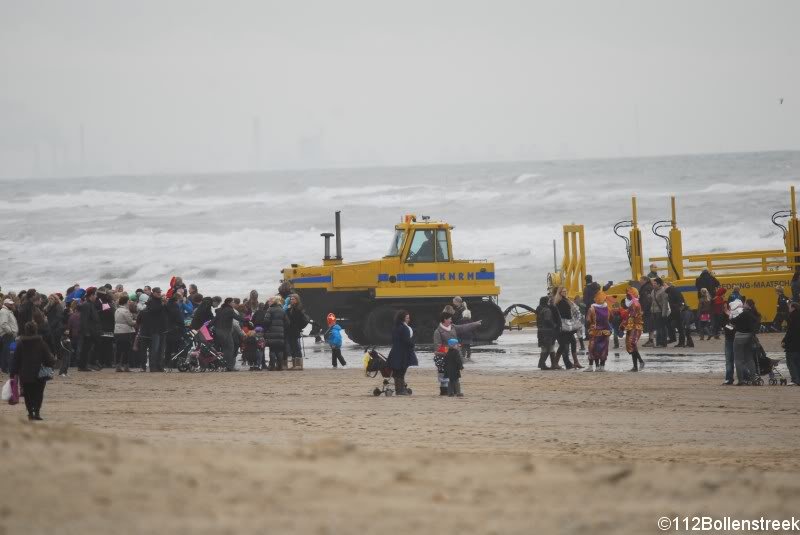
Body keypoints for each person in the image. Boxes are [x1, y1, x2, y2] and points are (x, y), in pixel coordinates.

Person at [10, 321, 56, 420]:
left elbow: (15, 360)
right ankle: (37, 412)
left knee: (27, 394)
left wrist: (13, 373)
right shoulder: (41, 343)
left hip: (25, 374)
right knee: (38, 393)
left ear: (26, 331)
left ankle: (30, 413)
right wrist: (52, 363)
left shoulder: (20, 344)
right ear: (36, 330)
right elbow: (49, 359)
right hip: (39, 374)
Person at [433, 312, 481, 395]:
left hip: (454, 356)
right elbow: (438, 348)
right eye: (450, 319)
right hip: (445, 357)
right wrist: (451, 348)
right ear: (445, 319)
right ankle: (444, 391)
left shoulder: (453, 327)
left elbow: (464, 327)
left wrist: (475, 324)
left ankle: (455, 391)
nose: (451, 320)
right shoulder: (437, 332)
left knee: (455, 375)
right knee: (444, 375)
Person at [386, 310, 417, 395]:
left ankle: (399, 389)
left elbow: (393, 340)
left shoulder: (395, 327)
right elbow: (407, 341)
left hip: (395, 351)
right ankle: (401, 390)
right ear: (403, 318)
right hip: (403, 352)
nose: (409, 319)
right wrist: (413, 344)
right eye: (407, 318)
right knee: (402, 371)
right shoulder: (404, 328)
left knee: (397, 372)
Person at [731, 299, 757, 385]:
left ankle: (741, 380)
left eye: (745, 303)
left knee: (738, 359)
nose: (743, 304)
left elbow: (734, 321)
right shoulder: (754, 313)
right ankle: (753, 379)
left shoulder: (744, 313)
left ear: (747, 305)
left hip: (739, 337)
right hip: (749, 337)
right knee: (749, 358)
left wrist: (729, 315)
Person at [213, 297, 242, 372]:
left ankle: (221, 365)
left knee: (224, 348)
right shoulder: (229, 310)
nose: (233, 303)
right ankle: (228, 366)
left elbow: (214, 320)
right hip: (226, 331)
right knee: (230, 348)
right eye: (232, 302)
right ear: (229, 303)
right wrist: (248, 320)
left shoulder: (220, 310)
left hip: (218, 331)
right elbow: (237, 318)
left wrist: (206, 326)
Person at [585, 291, 611, 372]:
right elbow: (611, 318)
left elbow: (588, 320)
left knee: (593, 348)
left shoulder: (592, 308)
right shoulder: (608, 308)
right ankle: (602, 367)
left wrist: (588, 327)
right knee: (603, 349)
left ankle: (593, 366)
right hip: (605, 331)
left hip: (595, 331)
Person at [78, 288, 101, 371]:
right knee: (86, 349)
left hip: (93, 330)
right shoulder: (86, 305)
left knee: (93, 347)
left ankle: (89, 364)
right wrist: (86, 332)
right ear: (91, 295)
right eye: (95, 295)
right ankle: (83, 366)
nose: (96, 296)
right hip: (89, 331)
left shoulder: (91, 304)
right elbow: (84, 319)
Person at [553, 287, 576, 370]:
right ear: (560, 292)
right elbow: (564, 314)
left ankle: (573, 362)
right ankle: (556, 363)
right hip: (564, 325)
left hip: (566, 325)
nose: (565, 292)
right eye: (563, 291)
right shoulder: (560, 301)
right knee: (563, 345)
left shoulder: (565, 300)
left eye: (566, 291)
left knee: (571, 342)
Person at [263, 296, 288, 371]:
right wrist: (282, 328)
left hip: (271, 332)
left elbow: (266, 321)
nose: (268, 302)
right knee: (279, 350)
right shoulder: (282, 310)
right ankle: (280, 366)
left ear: (273, 302)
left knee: (272, 349)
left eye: (270, 301)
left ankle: (272, 366)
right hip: (280, 333)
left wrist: (266, 328)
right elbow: (287, 322)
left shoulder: (270, 309)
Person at [285, 294, 309, 370]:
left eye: (293, 299)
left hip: (295, 331)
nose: (291, 300)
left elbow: (304, 321)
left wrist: (299, 327)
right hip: (289, 330)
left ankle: (298, 364)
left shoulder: (299, 309)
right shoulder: (289, 309)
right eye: (291, 299)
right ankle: (294, 364)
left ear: (297, 300)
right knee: (291, 347)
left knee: (296, 347)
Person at [624, 287, 645, 371]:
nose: (626, 296)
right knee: (632, 345)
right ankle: (637, 365)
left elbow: (631, 317)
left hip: (635, 327)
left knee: (631, 343)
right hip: (632, 327)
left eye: (628, 294)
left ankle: (639, 363)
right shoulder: (632, 304)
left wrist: (625, 326)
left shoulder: (635, 304)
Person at [114, 294, 136, 372]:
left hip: (117, 331)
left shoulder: (117, 310)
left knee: (119, 349)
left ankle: (118, 365)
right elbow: (130, 322)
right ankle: (126, 366)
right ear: (126, 302)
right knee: (126, 349)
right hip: (125, 331)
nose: (129, 302)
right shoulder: (126, 311)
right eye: (128, 301)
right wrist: (137, 321)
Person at [535, 296, 556, 370]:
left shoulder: (539, 309)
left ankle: (547, 364)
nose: (549, 302)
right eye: (548, 301)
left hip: (540, 330)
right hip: (547, 331)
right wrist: (554, 325)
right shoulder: (547, 310)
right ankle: (542, 364)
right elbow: (547, 320)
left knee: (545, 348)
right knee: (547, 348)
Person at [781, 301, 800, 386]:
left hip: (792, 344)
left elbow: (790, 331)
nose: (788, 308)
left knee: (791, 362)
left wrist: (784, 341)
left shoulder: (792, 317)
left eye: (789, 307)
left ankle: (795, 379)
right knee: (798, 362)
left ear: (793, 308)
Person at [61, 301, 80, 376]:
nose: (72, 312)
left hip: (68, 337)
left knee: (68, 354)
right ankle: (63, 371)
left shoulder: (68, 319)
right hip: (67, 338)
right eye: (71, 311)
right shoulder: (69, 319)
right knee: (67, 355)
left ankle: (64, 371)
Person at [0, 298, 19, 373]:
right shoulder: (4, 311)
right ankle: (6, 368)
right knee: (8, 351)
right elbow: (3, 324)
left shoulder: (7, 311)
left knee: (10, 351)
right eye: (10, 304)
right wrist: (10, 331)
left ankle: (6, 367)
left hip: (11, 335)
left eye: (12, 304)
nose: (12, 305)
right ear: (5, 304)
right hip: (8, 335)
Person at [650, 278, 670, 347]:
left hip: (660, 311)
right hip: (654, 311)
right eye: (653, 283)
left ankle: (663, 343)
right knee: (657, 327)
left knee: (662, 327)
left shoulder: (663, 291)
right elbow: (653, 302)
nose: (653, 285)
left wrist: (664, 313)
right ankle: (658, 343)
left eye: (655, 283)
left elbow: (665, 303)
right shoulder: (653, 291)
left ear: (659, 284)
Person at [665, 282, 686, 346]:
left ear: (668, 286)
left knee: (679, 327)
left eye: (664, 285)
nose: (663, 287)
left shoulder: (671, 291)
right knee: (675, 325)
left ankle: (678, 341)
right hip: (676, 310)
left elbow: (677, 301)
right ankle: (676, 340)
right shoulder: (673, 291)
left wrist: (675, 307)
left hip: (676, 310)